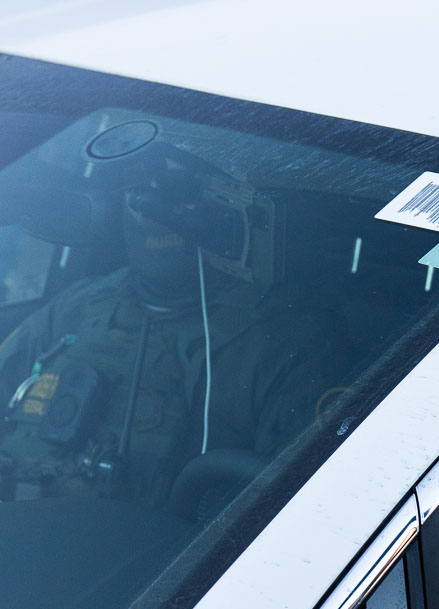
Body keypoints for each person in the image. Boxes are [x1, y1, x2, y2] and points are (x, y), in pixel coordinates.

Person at [0, 136, 345, 513]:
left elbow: (299, 515)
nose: (150, 206)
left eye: (177, 188)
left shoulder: (285, 338)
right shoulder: (79, 306)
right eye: (140, 184)